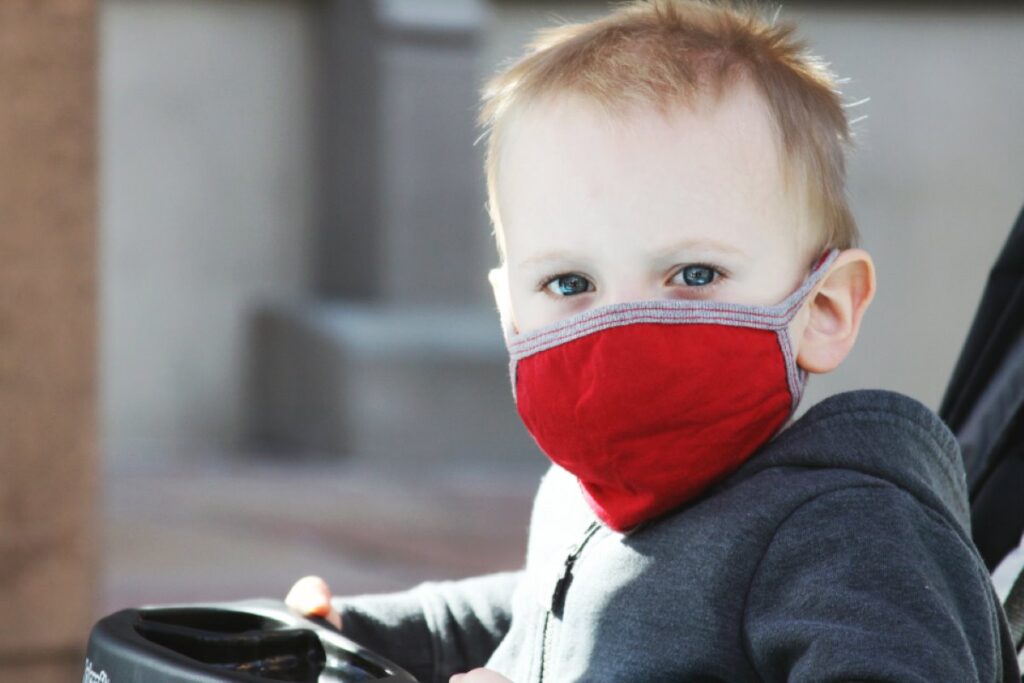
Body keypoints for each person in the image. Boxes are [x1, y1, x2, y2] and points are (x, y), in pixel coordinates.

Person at [287, 1, 1020, 680]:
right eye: (571, 284)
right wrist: (349, 625)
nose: (621, 327)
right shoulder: (579, 501)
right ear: (512, 315)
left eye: (692, 272)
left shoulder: (853, 534)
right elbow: (539, 611)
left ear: (822, 307)